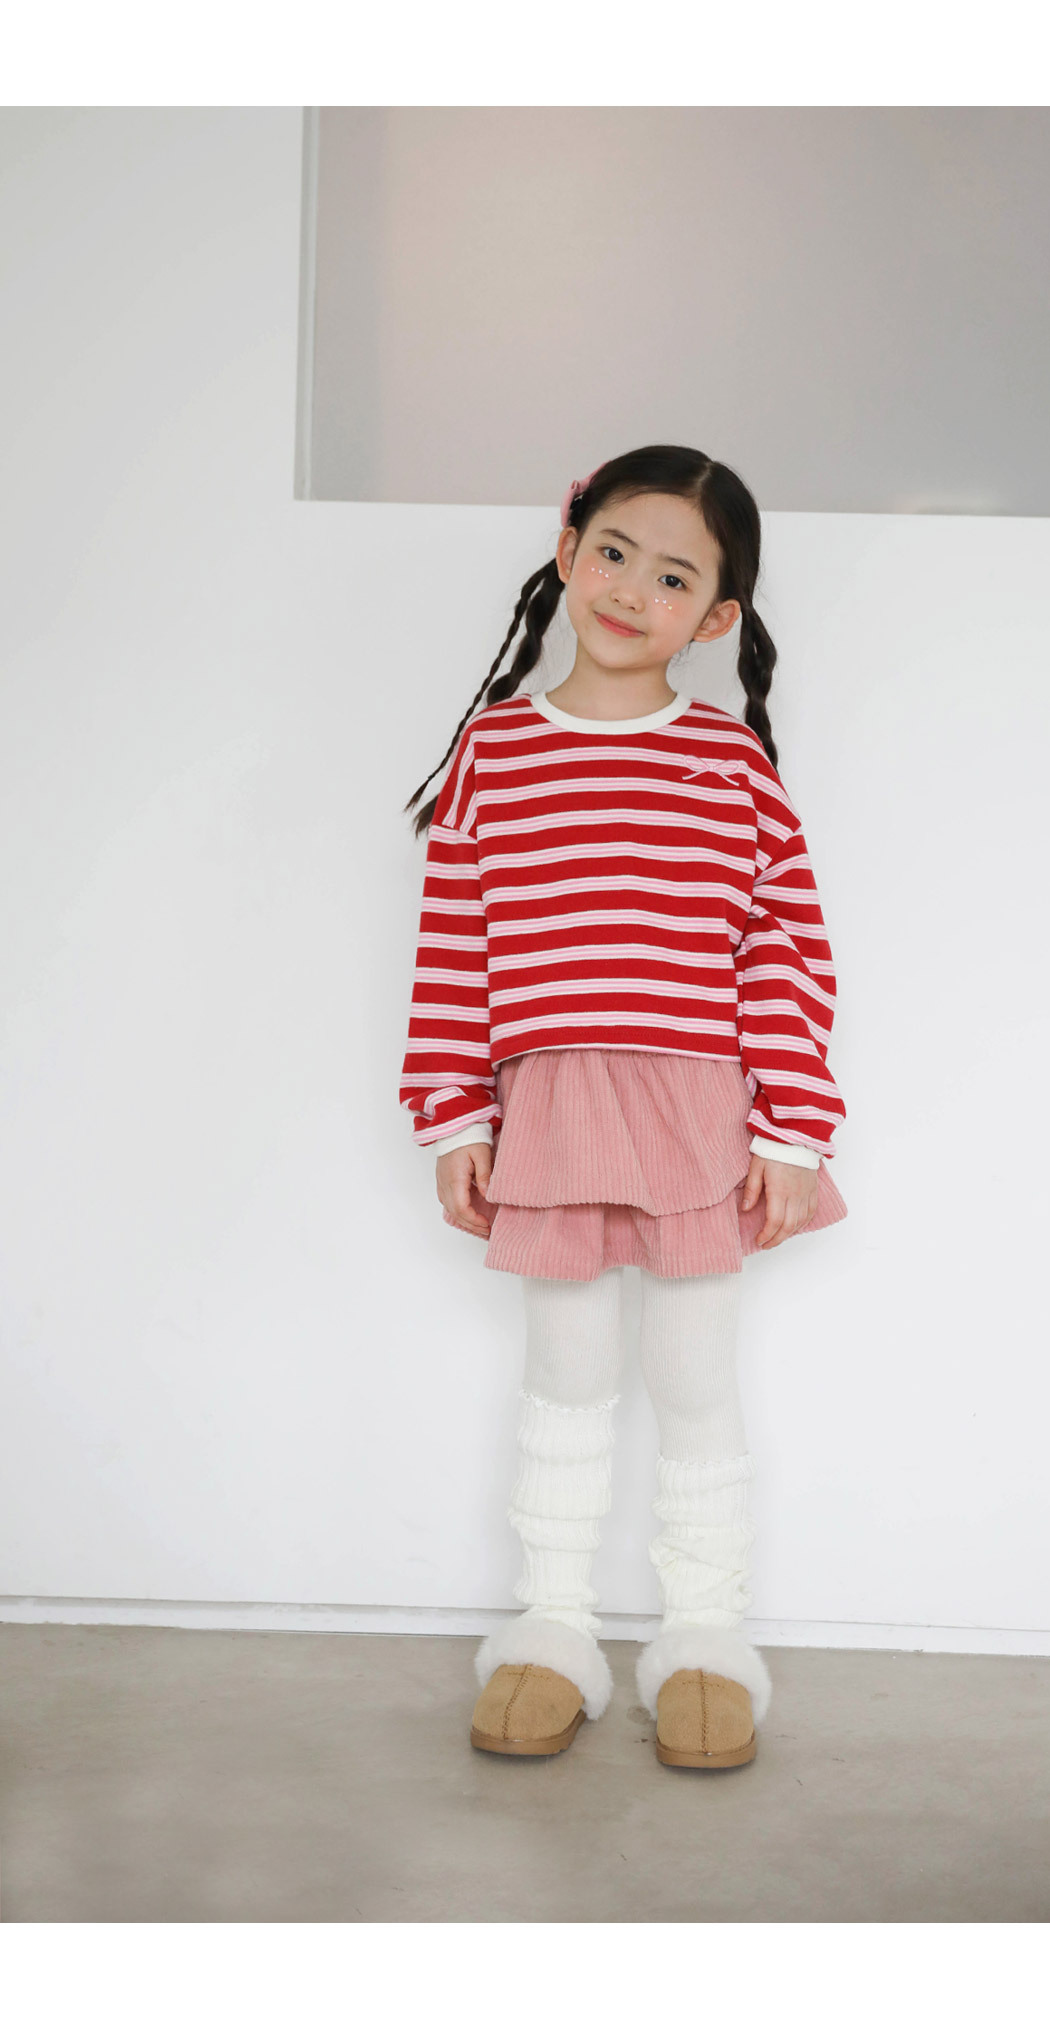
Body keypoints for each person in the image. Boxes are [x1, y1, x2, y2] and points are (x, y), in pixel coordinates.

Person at [399, 444, 848, 1771]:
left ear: (714, 617)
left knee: (692, 1378)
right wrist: (452, 1117)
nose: (629, 591)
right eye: (613, 553)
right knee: (567, 1375)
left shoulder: (728, 763)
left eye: (672, 577)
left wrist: (792, 1127)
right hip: (548, 1114)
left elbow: (783, 949)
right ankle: (552, 1629)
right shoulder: (495, 753)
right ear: (567, 549)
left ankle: (705, 1637)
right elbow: (455, 947)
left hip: (699, 1116)